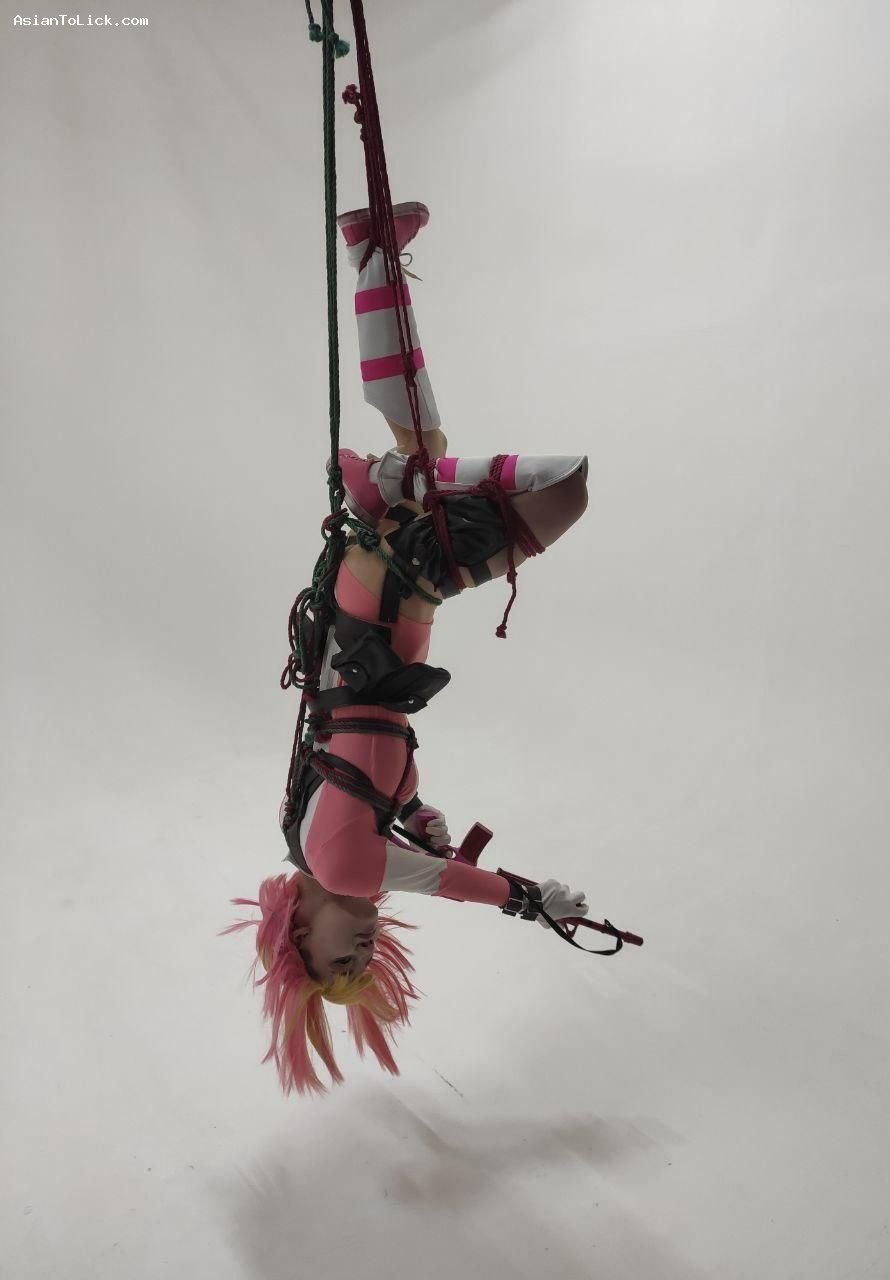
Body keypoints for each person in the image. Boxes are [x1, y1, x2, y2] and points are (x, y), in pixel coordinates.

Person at [226, 203, 591, 1094]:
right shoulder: (323, 846)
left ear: (294, 932)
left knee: (552, 489)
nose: (357, 954)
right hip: (378, 610)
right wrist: (419, 811)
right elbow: (375, 774)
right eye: (363, 966)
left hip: (382, 609)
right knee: (437, 449)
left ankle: (392, 481)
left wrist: (527, 899)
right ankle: (372, 258)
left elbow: (445, 884)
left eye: (332, 963)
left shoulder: (339, 863)